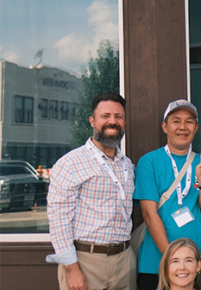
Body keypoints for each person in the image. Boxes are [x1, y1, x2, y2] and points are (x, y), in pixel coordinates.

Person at [46, 92, 136, 290]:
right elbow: (59, 222)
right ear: (92, 121)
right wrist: (72, 269)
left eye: (118, 117)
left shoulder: (127, 165)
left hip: (124, 260)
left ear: (124, 122)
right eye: (105, 116)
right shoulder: (70, 163)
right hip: (85, 261)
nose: (112, 121)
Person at [134, 100, 201, 290]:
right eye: (176, 121)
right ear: (165, 127)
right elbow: (149, 214)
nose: (183, 127)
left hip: (195, 262)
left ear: (196, 127)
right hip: (156, 263)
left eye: (189, 121)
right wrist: (171, 261)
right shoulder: (149, 162)